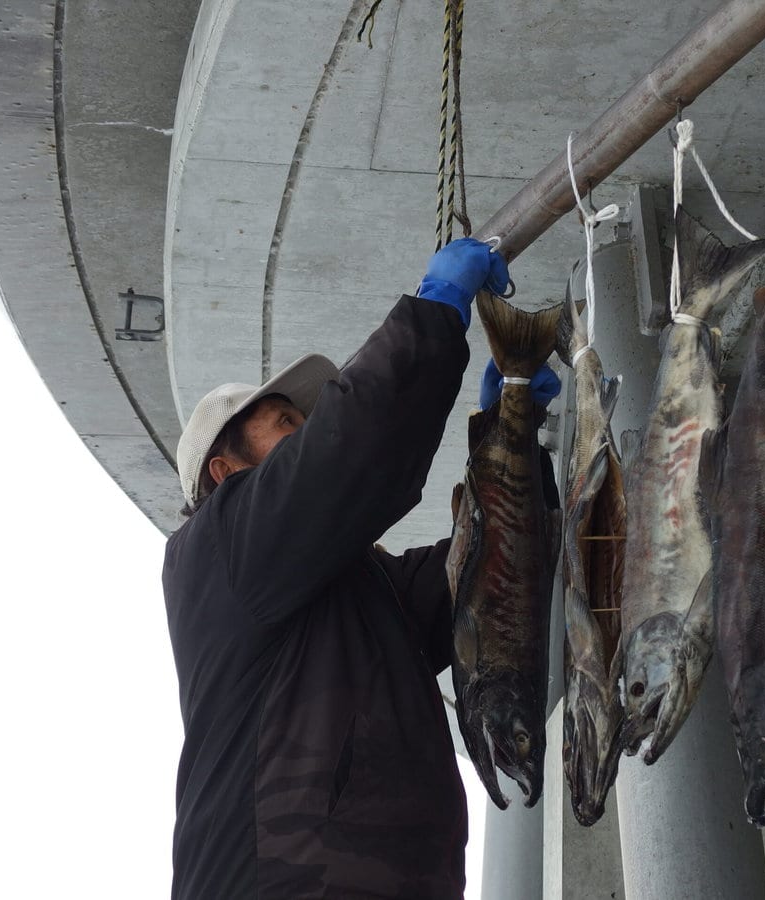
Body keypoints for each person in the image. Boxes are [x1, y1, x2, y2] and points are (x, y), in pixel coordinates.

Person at [162, 238, 560, 900]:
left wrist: (507, 435)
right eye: (287, 423)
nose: (307, 433)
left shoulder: (361, 593)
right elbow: (349, 451)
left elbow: (490, 577)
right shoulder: (215, 550)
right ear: (225, 473)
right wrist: (432, 317)